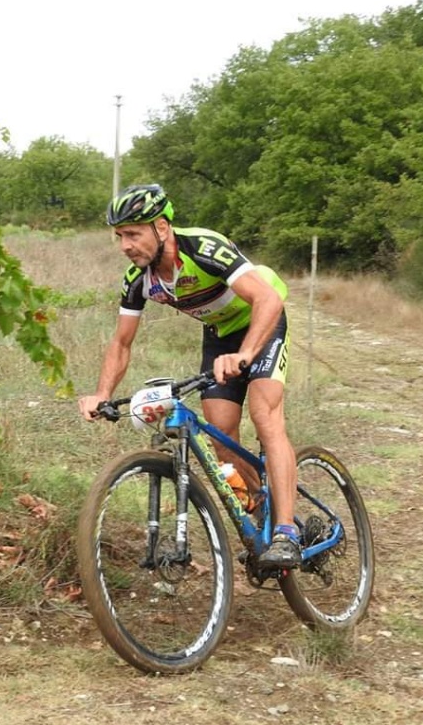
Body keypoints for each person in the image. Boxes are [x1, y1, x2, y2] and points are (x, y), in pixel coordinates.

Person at [78, 184, 300, 569]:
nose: (125, 245)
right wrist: (101, 392)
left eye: (133, 233)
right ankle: (263, 503)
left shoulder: (203, 247)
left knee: (266, 417)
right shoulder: (138, 278)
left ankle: (286, 533)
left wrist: (246, 353)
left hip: (261, 322)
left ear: (161, 227)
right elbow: (122, 342)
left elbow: (268, 299)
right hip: (218, 336)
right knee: (221, 436)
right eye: (119, 236)